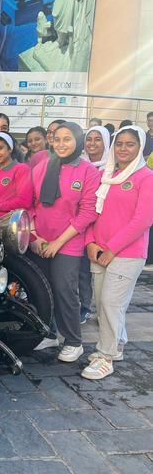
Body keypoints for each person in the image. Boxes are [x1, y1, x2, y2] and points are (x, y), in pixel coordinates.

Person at [82, 126, 153, 379]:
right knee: (103, 304)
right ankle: (117, 343)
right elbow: (92, 212)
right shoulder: (107, 174)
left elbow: (142, 220)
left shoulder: (147, 177)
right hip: (99, 251)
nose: (123, 148)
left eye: (130, 144)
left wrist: (112, 249)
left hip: (127, 253)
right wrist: (90, 242)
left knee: (112, 303)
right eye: (119, 143)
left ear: (140, 147)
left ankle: (106, 356)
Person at [30, 122, 101, 361]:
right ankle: (47, 333)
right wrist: (34, 236)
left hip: (68, 242)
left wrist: (58, 243)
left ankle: (73, 340)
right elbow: (30, 203)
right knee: (41, 289)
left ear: (77, 141)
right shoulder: (41, 166)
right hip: (40, 239)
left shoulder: (87, 171)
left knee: (64, 290)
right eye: (57, 139)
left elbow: (88, 213)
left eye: (67, 139)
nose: (61, 144)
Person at [77, 125, 111, 324]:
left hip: (104, 228)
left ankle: (105, 311)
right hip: (82, 225)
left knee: (103, 273)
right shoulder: (79, 164)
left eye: (98, 139)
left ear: (106, 142)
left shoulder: (113, 168)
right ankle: (84, 306)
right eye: (89, 139)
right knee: (82, 270)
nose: (92, 143)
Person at [0, 132, 33, 222]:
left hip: (10, 226)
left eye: (0, 148)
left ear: (10, 149)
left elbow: (24, 201)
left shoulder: (21, 169)